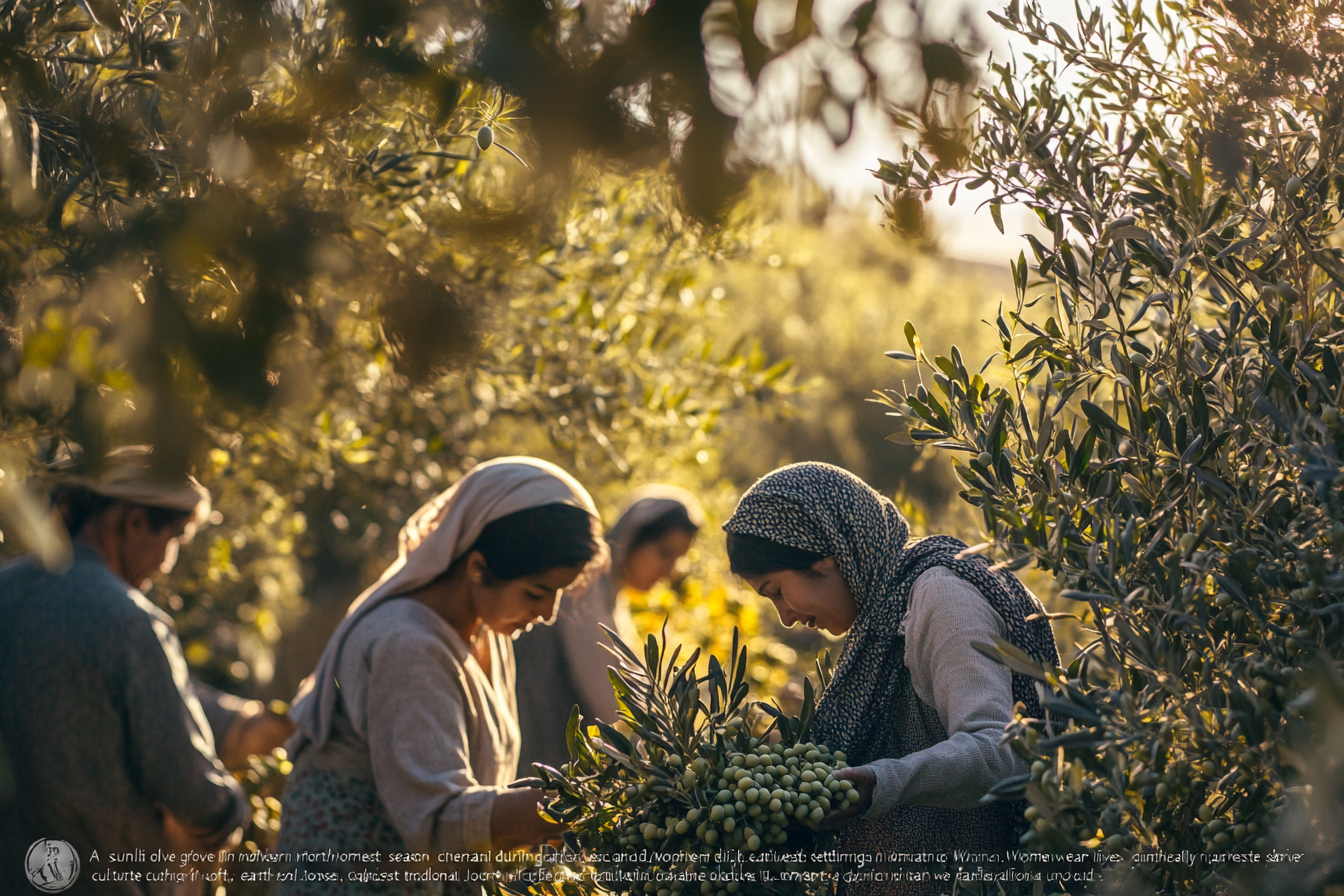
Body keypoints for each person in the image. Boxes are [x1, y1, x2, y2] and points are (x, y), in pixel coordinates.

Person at [722, 462, 1060, 896]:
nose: (785, 617)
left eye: (777, 591)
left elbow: (1004, 750)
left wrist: (885, 782)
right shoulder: (883, 611)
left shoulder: (940, 597)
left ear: (827, 557)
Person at [278, 457, 608, 895]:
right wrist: (575, 806)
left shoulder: (487, 632)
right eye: (536, 592)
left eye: (557, 595)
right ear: (476, 566)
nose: (547, 614)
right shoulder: (407, 645)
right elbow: (439, 820)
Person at [0, 447, 250, 896]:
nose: (167, 563)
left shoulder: (5, 591)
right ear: (133, 522)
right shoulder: (130, 620)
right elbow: (184, 783)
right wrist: (229, 810)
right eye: (173, 540)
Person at [515, 485, 704, 772]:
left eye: (678, 559)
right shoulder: (585, 588)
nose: (671, 570)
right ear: (632, 538)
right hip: (536, 763)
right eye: (665, 553)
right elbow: (612, 701)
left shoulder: (610, 594)